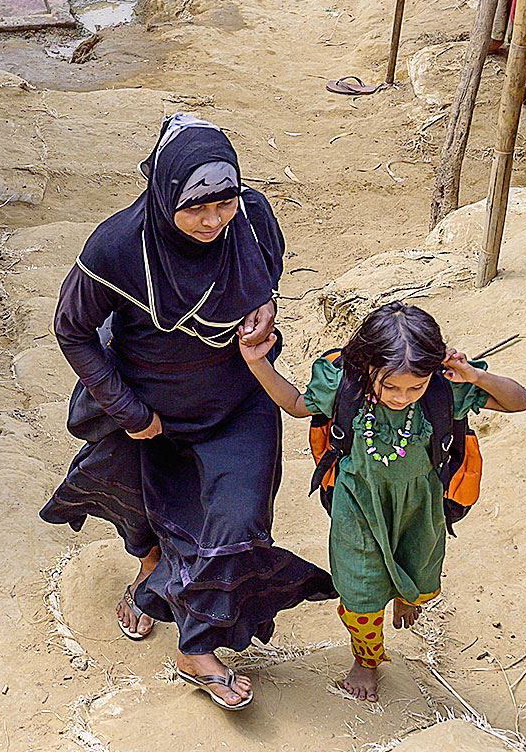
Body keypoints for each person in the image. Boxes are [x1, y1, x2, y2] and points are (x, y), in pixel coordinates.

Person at [42, 114, 333, 711]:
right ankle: (152, 572)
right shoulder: (117, 247)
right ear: (165, 193)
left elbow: (266, 272)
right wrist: (126, 410)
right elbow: (71, 330)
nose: (212, 222)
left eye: (223, 204)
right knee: (141, 501)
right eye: (196, 208)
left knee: (239, 519)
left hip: (237, 400)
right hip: (150, 407)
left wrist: (267, 309)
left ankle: (197, 647)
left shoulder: (251, 219)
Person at [252, 303, 526, 701]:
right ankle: (366, 659)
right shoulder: (343, 386)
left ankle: (404, 594)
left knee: (416, 565)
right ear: (366, 366)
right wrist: (258, 363)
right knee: (359, 590)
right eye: (390, 386)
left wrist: (476, 375)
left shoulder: (445, 388)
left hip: (420, 505)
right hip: (358, 503)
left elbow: (519, 402)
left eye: (414, 387)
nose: (402, 397)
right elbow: (297, 404)